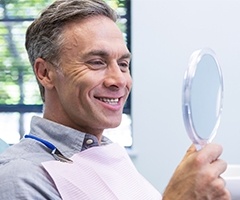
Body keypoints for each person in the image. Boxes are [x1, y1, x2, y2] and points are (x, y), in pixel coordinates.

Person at [0, 0, 231, 199]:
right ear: (45, 73)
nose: (118, 80)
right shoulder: (20, 176)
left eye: (123, 64)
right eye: (97, 62)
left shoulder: (110, 154)